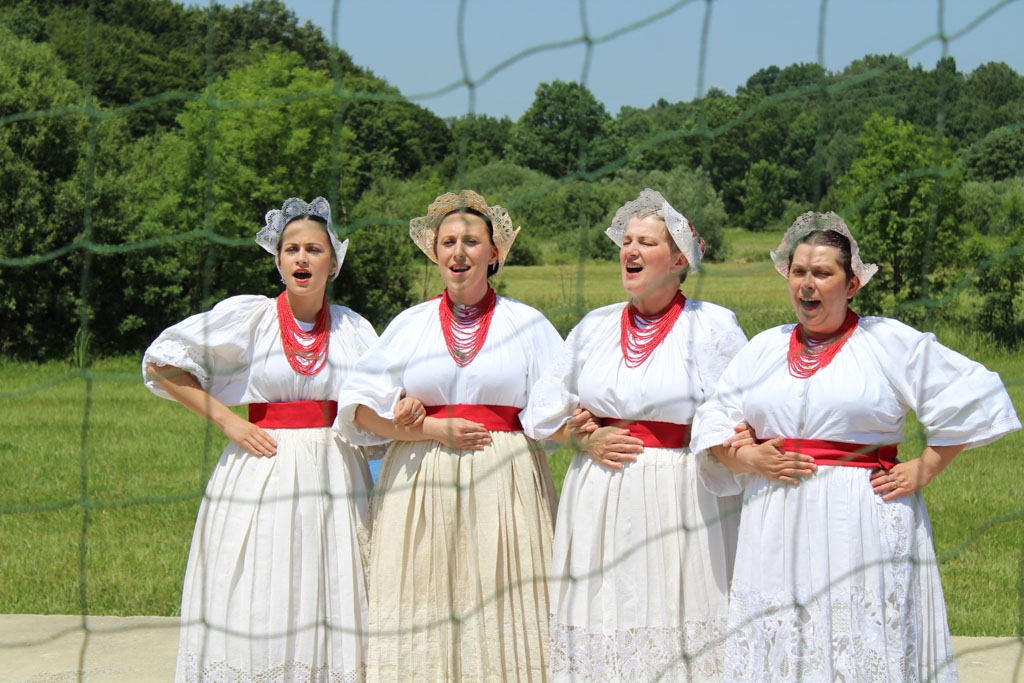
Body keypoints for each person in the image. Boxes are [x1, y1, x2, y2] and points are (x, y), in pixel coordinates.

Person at [691, 211, 1022, 682]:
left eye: (822, 273)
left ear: (852, 285)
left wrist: (926, 466)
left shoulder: (885, 341)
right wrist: (746, 456)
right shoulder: (764, 348)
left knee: (858, 637)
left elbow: (974, 392)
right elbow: (713, 417)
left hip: (861, 519)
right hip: (775, 521)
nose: (807, 285)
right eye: (799, 272)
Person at [144, 197, 386, 682]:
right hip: (263, 465)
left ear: (333, 262)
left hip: (335, 469)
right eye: (291, 249)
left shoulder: (353, 327)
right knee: (263, 580)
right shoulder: (251, 318)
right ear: (278, 260)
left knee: (329, 578)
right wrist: (229, 423)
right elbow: (162, 362)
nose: (302, 258)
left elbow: (380, 397)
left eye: (314, 249)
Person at [335, 190, 564, 681]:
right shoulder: (411, 325)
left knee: (500, 599)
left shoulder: (527, 323)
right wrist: (419, 424)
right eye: (448, 242)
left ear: (494, 253)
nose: (459, 252)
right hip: (420, 482)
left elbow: (559, 404)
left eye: (471, 242)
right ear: (435, 252)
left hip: (505, 483)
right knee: (425, 597)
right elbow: (357, 408)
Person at [521, 188, 748, 682]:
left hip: (679, 494)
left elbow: (743, 411)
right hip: (599, 494)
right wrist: (580, 438)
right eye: (627, 241)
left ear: (679, 259)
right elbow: (539, 410)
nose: (631, 250)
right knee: (606, 610)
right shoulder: (596, 326)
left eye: (646, 242)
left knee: (675, 612)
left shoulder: (712, 326)